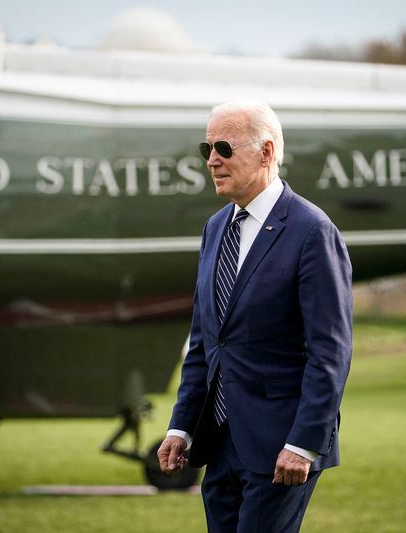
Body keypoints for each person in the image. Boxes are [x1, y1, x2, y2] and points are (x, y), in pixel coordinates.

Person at [157, 100, 352, 532]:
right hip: (219, 443)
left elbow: (330, 353)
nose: (211, 160)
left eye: (223, 147)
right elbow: (206, 342)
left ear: (266, 152)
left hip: (282, 446)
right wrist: (182, 428)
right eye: (206, 147)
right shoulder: (215, 228)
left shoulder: (312, 231)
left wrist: (304, 443)